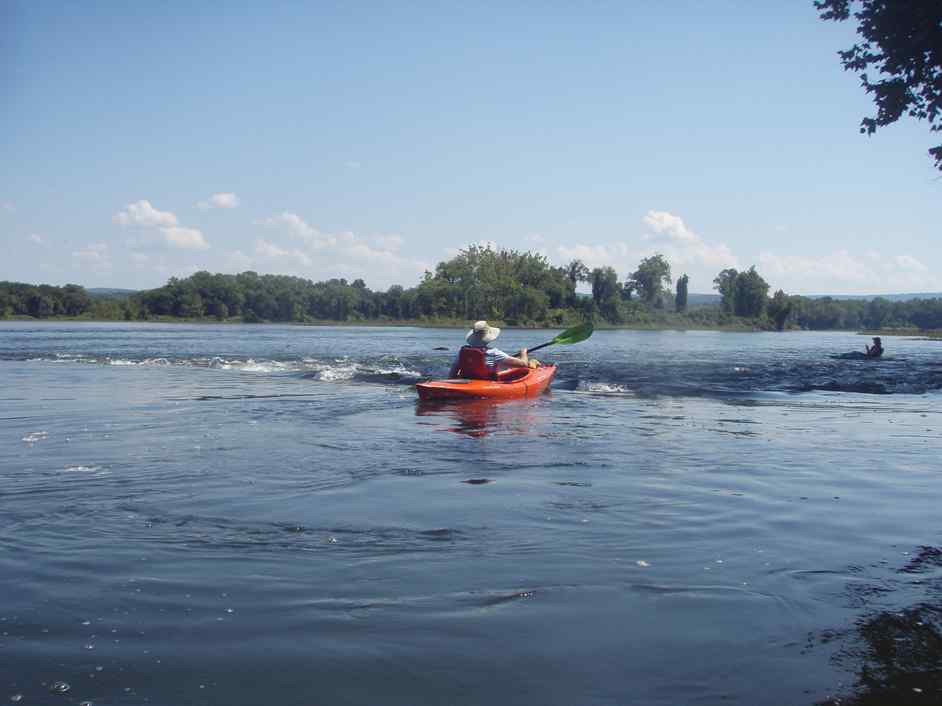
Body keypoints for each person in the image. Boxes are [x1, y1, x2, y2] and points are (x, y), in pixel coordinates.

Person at [448, 320, 539, 379]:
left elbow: (453, 371)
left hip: (467, 380)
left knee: (503, 365)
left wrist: (450, 382)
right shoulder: (494, 353)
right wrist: (524, 353)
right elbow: (523, 364)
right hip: (485, 382)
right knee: (518, 364)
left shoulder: (463, 352)